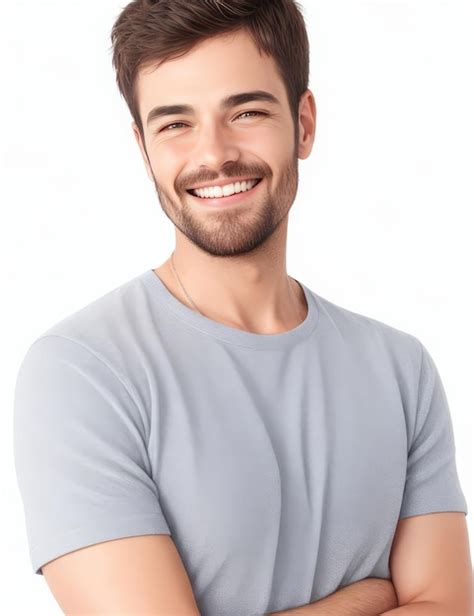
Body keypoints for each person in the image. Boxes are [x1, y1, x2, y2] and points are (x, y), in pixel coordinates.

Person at [13, 1, 472, 614]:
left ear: (303, 124)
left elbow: (450, 607)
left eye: (247, 111)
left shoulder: (400, 369)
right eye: (175, 124)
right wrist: (370, 598)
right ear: (143, 147)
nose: (215, 154)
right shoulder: (81, 372)